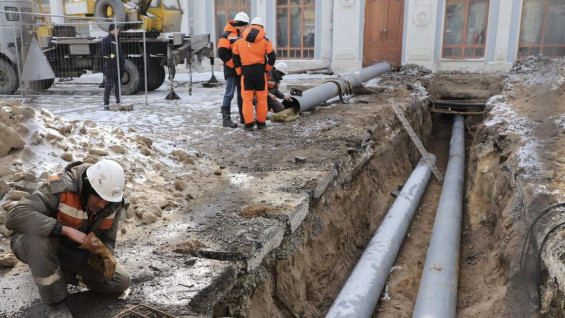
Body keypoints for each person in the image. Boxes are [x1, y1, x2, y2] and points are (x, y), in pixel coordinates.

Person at [5, 159, 130, 318]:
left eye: (107, 201)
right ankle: (56, 303)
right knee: (40, 242)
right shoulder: (60, 187)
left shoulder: (113, 203)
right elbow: (14, 216)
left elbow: (109, 240)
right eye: (98, 198)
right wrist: (64, 230)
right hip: (33, 242)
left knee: (121, 281)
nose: (102, 204)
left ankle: (52, 271)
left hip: (71, 250)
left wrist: (101, 252)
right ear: (87, 186)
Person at [232, 17, 276, 130]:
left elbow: (235, 58)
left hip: (246, 73)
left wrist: (239, 71)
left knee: (247, 100)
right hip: (260, 73)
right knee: (261, 99)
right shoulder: (266, 41)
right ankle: (261, 123)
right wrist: (266, 69)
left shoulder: (239, 42)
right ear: (262, 27)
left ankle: (249, 124)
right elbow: (272, 57)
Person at [217, 12, 249, 127]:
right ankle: (226, 120)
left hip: (240, 69)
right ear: (241, 24)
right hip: (231, 70)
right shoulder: (226, 35)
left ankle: (244, 117)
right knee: (229, 93)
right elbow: (221, 52)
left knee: (242, 94)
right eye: (245, 26)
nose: (246, 28)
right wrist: (233, 65)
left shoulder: (242, 35)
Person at [101, 24, 125, 110]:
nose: (118, 31)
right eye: (116, 29)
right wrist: (113, 57)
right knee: (109, 85)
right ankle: (106, 104)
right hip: (110, 67)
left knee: (118, 85)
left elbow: (120, 53)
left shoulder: (117, 39)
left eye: (118, 29)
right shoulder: (106, 40)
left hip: (119, 67)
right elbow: (105, 55)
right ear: (111, 30)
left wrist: (122, 62)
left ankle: (118, 101)